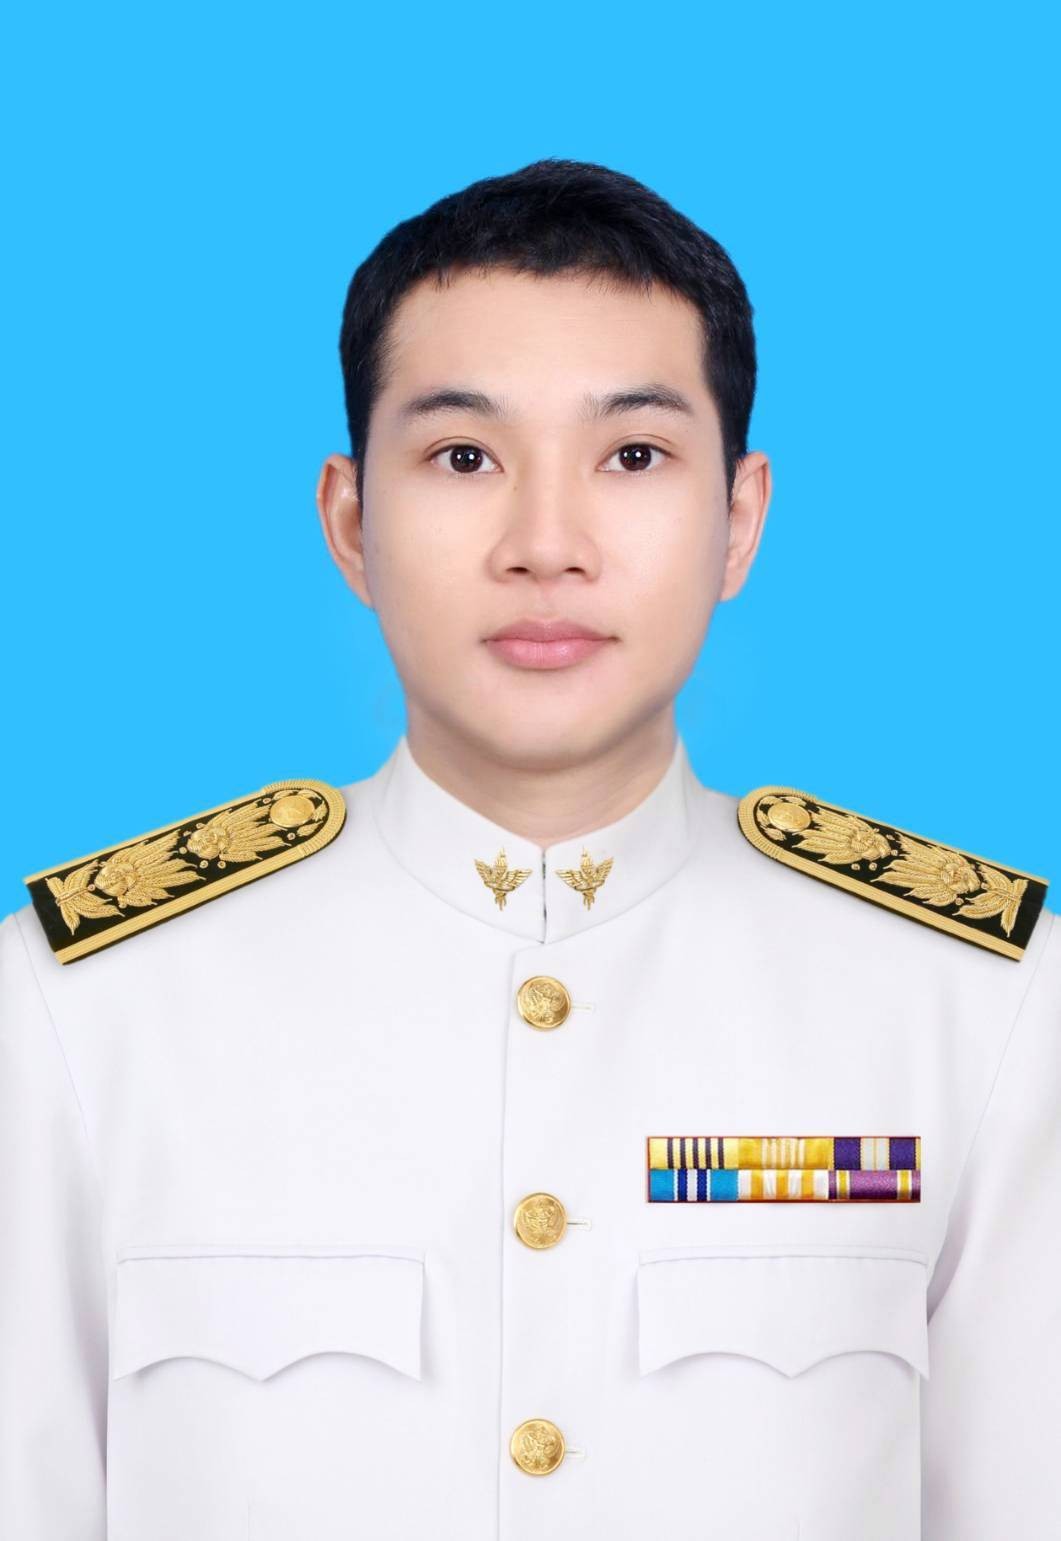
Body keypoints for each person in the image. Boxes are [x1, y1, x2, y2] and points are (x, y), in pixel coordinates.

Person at [1, 157, 1056, 1541]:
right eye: (463, 457)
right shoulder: (77, 1008)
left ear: (737, 520)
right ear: (350, 522)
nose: (546, 546)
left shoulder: (978, 1005)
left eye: (633, 456)